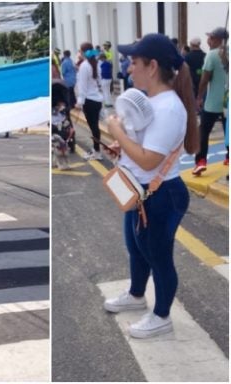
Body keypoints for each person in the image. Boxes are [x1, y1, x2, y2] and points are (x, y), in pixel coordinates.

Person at [103, 33, 195, 339]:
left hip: (161, 195)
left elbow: (147, 159)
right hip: (141, 193)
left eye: (134, 62)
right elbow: (141, 148)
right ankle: (136, 294)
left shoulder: (168, 107)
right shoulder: (151, 102)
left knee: (158, 256)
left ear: (152, 66)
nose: (129, 69)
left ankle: (161, 315)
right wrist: (121, 144)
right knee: (136, 248)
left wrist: (117, 129)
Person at [193, 27, 229, 174]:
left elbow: (205, 78)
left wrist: (199, 96)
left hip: (213, 102)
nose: (208, 40)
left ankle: (201, 161)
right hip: (228, 102)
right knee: (228, 131)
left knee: (203, 131)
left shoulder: (212, 55)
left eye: (211, 38)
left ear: (219, 40)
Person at [75, 42, 105, 160]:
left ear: (83, 52)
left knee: (93, 128)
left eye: (80, 51)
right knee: (95, 127)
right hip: (97, 100)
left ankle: (97, 152)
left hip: (89, 101)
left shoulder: (84, 66)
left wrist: (79, 102)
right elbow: (100, 83)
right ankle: (96, 150)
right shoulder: (96, 64)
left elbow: (82, 87)